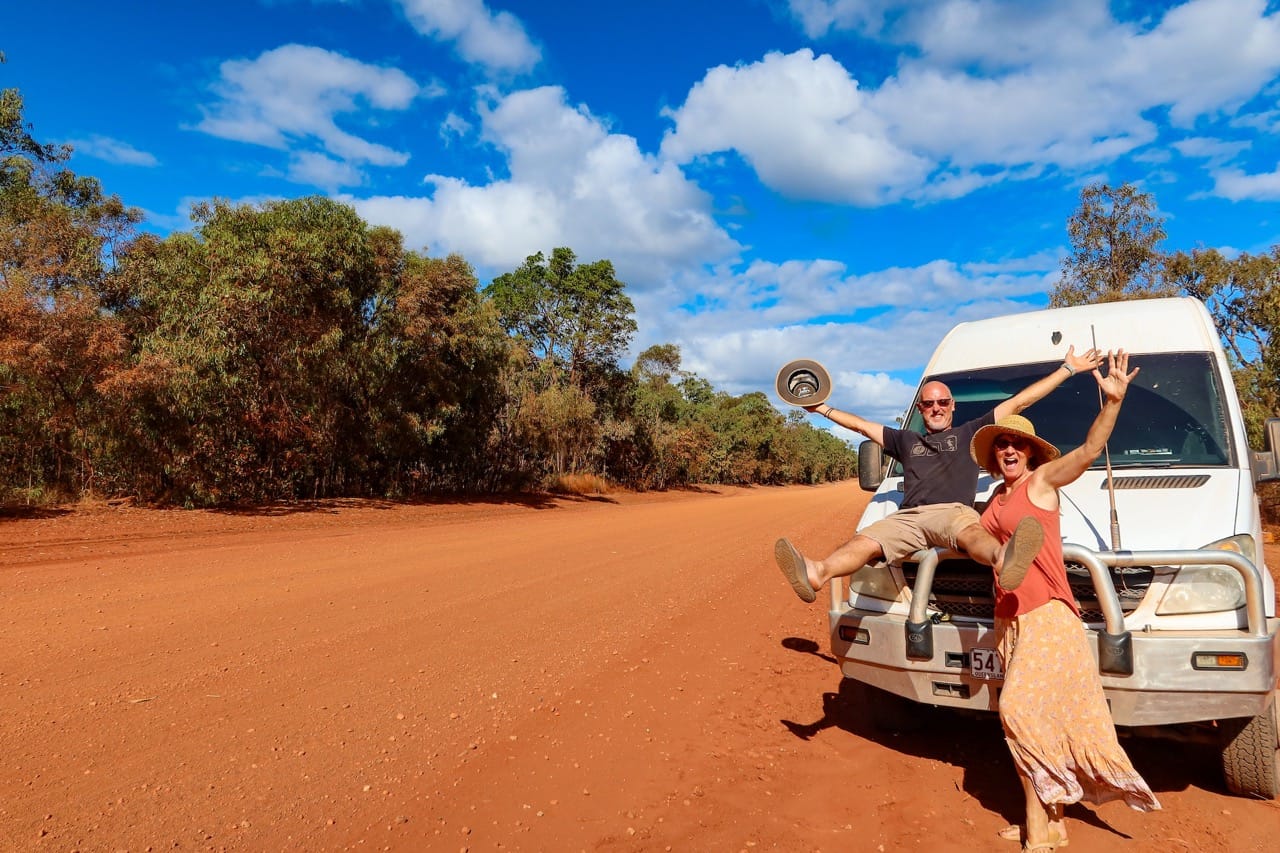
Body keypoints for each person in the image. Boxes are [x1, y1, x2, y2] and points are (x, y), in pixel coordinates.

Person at [969, 349, 1160, 851]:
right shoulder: (995, 501)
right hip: (1009, 622)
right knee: (1037, 724)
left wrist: (1112, 402)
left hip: (1048, 615)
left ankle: (1038, 833)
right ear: (994, 456)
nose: (1009, 450)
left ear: (1031, 453)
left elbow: (1089, 450)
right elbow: (973, 538)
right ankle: (1052, 821)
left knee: (1020, 711)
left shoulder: (1041, 483)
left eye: (1017, 444)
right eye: (1002, 444)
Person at [775, 345, 1104, 603]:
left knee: (971, 532)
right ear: (919, 409)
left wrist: (1068, 369)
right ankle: (819, 571)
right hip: (909, 518)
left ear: (952, 406)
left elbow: (1019, 402)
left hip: (951, 512)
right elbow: (861, 425)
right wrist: (820, 409)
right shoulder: (905, 440)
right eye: (929, 404)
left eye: (942, 402)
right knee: (867, 539)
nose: (936, 408)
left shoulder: (970, 433)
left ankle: (1004, 559)